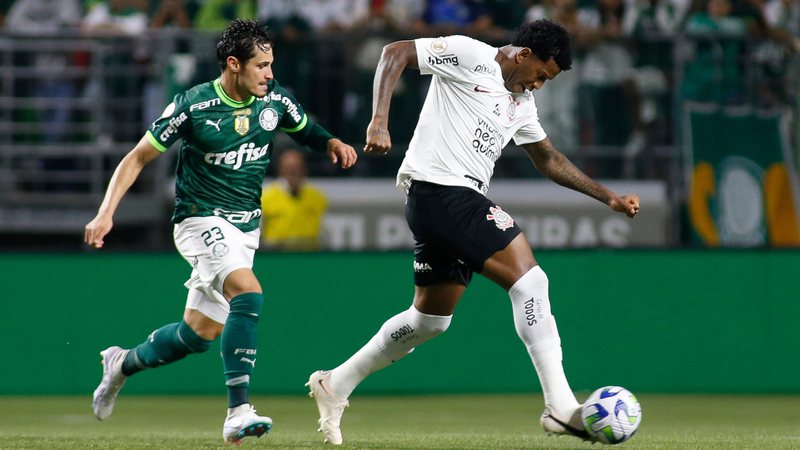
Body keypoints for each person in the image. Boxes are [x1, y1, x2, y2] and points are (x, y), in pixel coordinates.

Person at [306, 19, 640, 446]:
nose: (539, 85)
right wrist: (378, 121)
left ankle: (335, 383)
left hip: (443, 203)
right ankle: (560, 406)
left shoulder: (522, 104)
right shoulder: (469, 55)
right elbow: (395, 52)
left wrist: (607, 196)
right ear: (523, 55)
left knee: (430, 321)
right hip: (441, 190)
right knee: (531, 282)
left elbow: (549, 159)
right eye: (540, 74)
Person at [84, 18, 357, 444]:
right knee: (248, 293)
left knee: (197, 335)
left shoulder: (274, 102)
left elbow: (306, 130)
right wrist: (105, 214)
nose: (270, 73)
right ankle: (237, 411)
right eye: (262, 65)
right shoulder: (193, 107)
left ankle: (121, 364)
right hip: (198, 218)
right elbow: (136, 158)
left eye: (271, 64)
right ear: (233, 64)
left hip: (245, 228)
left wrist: (332, 143)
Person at [260, 148, 328, 251]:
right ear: (280, 170)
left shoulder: (317, 197)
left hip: (309, 252)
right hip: (276, 252)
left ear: (304, 170)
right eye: (288, 168)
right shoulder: (266, 196)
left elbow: (324, 231)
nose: (293, 172)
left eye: (297, 167)